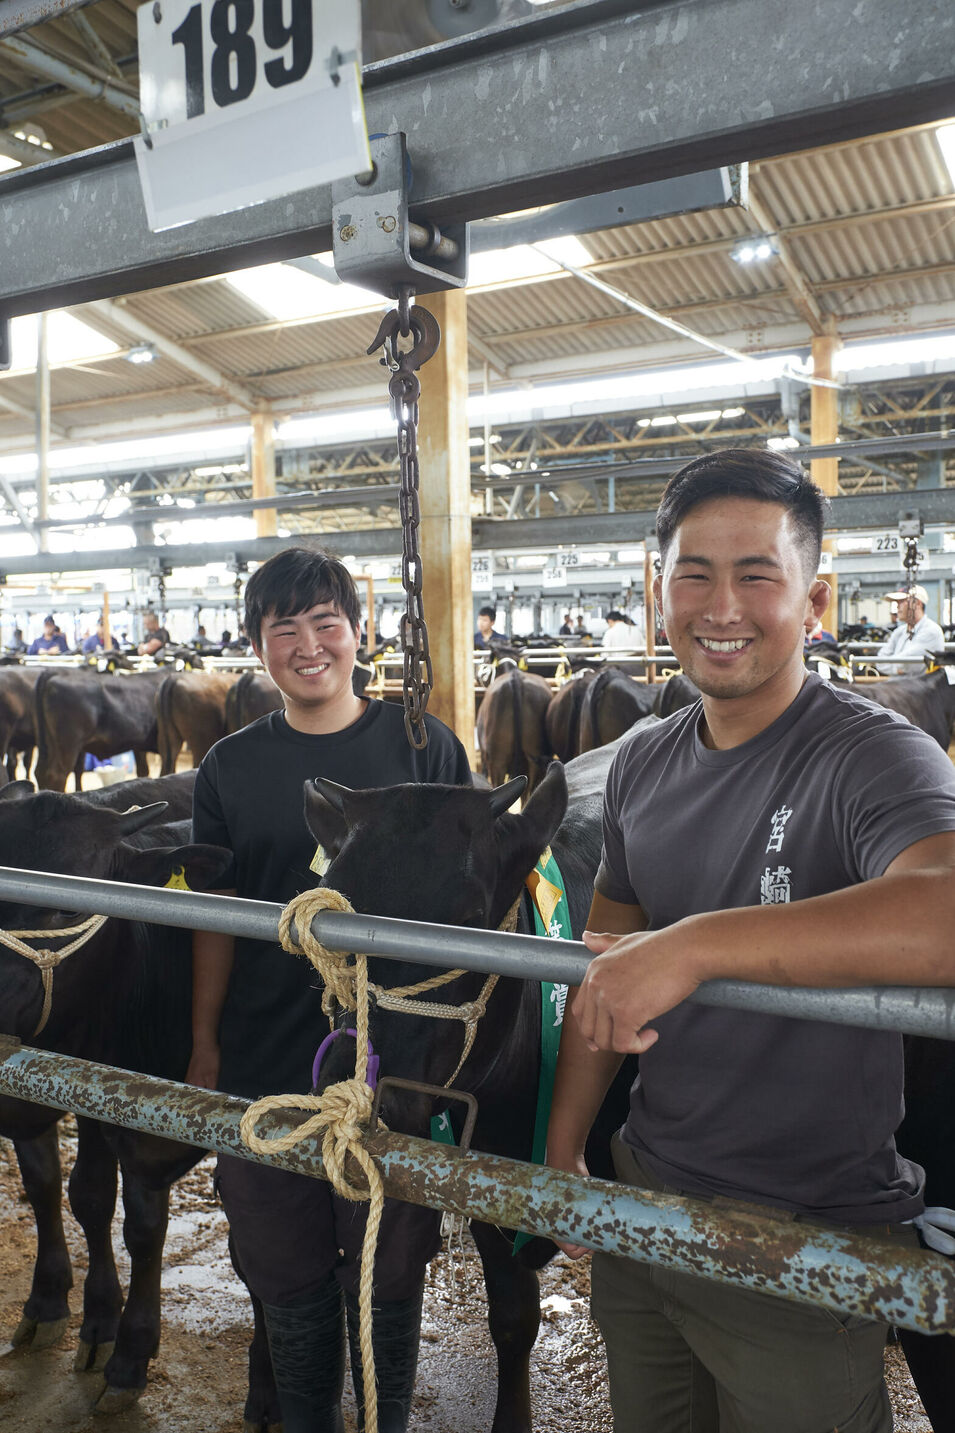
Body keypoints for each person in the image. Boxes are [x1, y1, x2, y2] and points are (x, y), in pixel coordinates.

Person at [546, 448, 955, 1433]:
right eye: (693, 573)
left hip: (801, 1226)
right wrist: (562, 1143)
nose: (718, 605)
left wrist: (699, 944)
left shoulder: (869, 751)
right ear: (658, 590)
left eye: (755, 575)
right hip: (648, 1196)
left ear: (813, 599)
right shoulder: (642, 758)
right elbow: (611, 967)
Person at [188, 547, 471, 1432]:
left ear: (359, 632)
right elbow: (217, 916)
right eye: (284, 629)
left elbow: (471, 920)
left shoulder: (422, 746)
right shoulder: (229, 767)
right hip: (267, 1052)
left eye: (325, 623)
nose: (308, 646)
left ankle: (383, 1413)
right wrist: (204, 1042)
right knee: (283, 1266)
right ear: (258, 646)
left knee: (389, 1266)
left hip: (399, 1060)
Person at [876, 586, 945, 675]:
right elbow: (879, 662)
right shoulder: (899, 632)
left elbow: (906, 664)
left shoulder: (931, 631)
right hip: (898, 685)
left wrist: (893, 666)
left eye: (901, 601)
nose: (897, 606)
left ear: (917, 603)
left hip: (920, 687)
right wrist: (897, 668)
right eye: (897, 602)